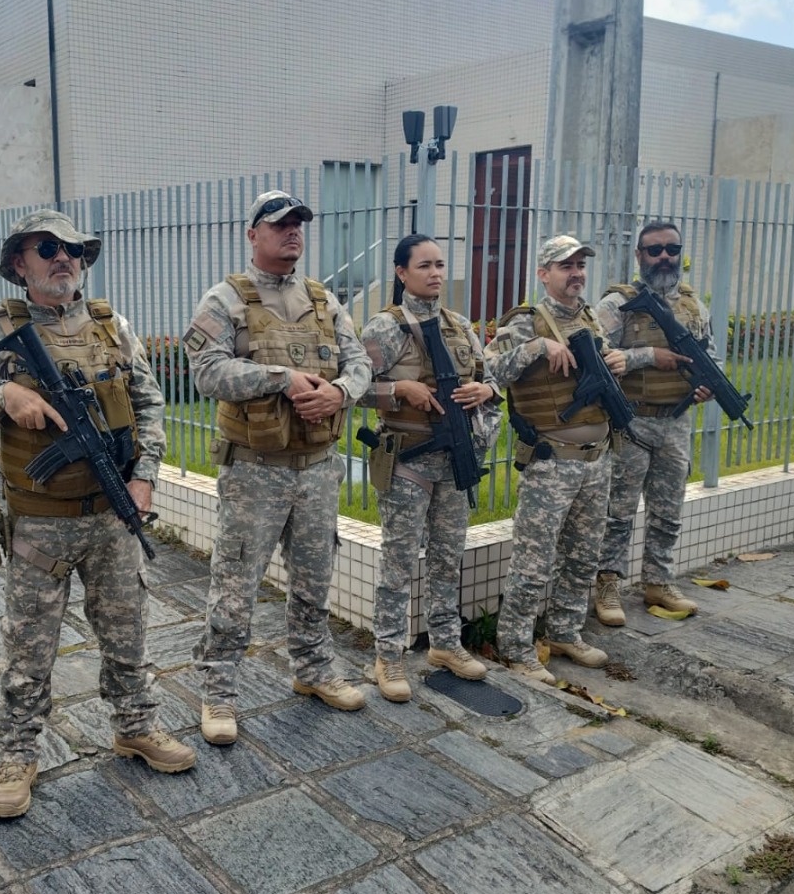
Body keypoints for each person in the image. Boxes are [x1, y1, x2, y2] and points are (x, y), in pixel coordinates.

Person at [0, 209, 194, 818]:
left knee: (127, 628)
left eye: (75, 249)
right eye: (48, 247)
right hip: (41, 522)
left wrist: (144, 477)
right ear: (18, 264)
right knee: (29, 646)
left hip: (112, 513)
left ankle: (136, 725)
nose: (64, 258)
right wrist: (4, 394)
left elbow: (148, 401)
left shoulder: (112, 326)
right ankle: (18, 753)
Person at [183, 191, 371, 744]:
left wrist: (339, 392)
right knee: (235, 584)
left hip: (316, 467)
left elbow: (358, 361)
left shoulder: (324, 301)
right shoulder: (225, 301)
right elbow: (207, 372)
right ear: (253, 234)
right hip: (254, 472)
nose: (292, 232)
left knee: (315, 577)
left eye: (298, 224)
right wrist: (281, 379)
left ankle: (313, 671)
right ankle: (218, 691)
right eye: (280, 224)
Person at [357, 234, 499, 701]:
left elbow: (488, 377)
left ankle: (445, 644)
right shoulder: (384, 328)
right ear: (401, 273)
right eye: (424, 265)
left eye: (439, 264)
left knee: (446, 558)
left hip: (453, 460)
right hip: (408, 462)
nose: (435, 273)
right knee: (398, 562)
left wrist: (487, 393)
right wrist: (399, 390)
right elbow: (353, 388)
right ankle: (389, 654)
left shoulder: (460, 326)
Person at [483, 234, 626, 683]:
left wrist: (617, 360)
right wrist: (537, 348)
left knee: (584, 554)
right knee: (534, 560)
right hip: (551, 461)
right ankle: (515, 647)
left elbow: (602, 366)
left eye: (580, 265)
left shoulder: (590, 318)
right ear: (544, 274)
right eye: (566, 265)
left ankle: (564, 630)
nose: (576, 273)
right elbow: (488, 372)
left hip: (595, 459)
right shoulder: (524, 322)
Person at [593, 221, 719, 624]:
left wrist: (707, 386)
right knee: (618, 511)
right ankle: (607, 583)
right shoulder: (617, 304)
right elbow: (595, 359)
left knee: (668, 511)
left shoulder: (693, 305)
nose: (664, 256)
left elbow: (712, 358)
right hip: (631, 421)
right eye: (654, 250)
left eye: (671, 248)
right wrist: (647, 356)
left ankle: (658, 581)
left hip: (675, 422)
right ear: (639, 256)